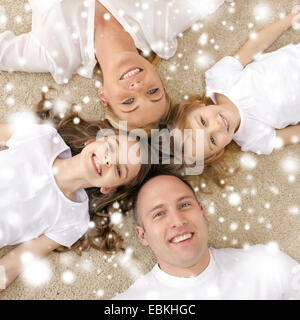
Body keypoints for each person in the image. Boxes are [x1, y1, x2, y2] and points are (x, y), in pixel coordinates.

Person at [0, 0, 225, 128]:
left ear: (104, 95)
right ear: (156, 73)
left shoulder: (56, 56)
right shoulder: (161, 28)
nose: (138, 87)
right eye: (153, 91)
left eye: (129, 101)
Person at [0, 110, 151, 291]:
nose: (109, 159)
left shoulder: (74, 221)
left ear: (108, 189)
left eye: (119, 169)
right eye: (111, 147)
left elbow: (13, 265)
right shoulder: (44, 138)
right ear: (92, 141)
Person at [113, 174, 300, 300]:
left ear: (202, 212)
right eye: (159, 214)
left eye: (184, 205)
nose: (177, 221)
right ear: (143, 235)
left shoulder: (265, 266)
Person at [169, 9, 300, 164]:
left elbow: (254, 46)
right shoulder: (253, 139)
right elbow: (294, 134)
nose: (217, 126)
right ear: (219, 151)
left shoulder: (219, 79)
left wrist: (289, 20)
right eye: (212, 140)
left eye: (203, 121)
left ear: (197, 106)